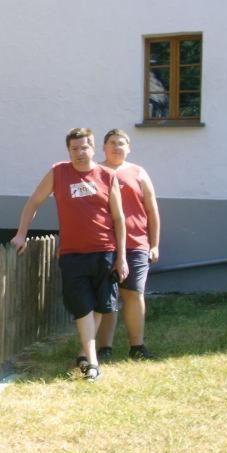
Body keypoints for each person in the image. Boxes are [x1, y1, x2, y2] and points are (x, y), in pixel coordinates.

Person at [11, 128, 128, 381]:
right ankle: (93, 361)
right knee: (82, 307)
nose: (79, 153)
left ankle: (85, 354)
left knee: (99, 306)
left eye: (84, 148)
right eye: (74, 149)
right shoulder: (59, 173)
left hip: (105, 251)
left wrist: (122, 257)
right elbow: (33, 202)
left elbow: (119, 218)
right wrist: (21, 233)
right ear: (69, 151)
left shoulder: (107, 176)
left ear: (93, 148)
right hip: (73, 254)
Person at [96, 129, 160, 361]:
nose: (116, 147)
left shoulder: (139, 173)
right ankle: (104, 349)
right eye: (112, 143)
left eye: (121, 143)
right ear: (104, 147)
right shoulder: (95, 172)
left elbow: (152, 211)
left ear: (129, 147)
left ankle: (137, 347)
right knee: (106, 297)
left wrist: (154, 244)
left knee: (133, 293)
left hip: (136, 243)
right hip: (103, 243)